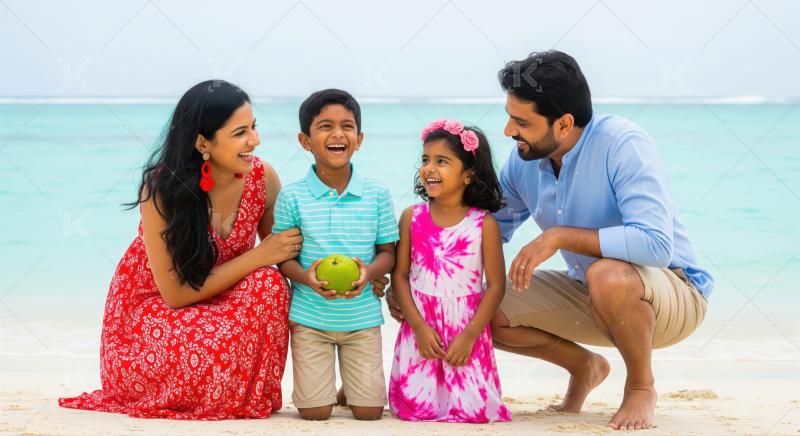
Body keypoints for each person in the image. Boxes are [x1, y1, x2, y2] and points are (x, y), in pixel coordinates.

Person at [384, 51, 713, 431]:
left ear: (564, 124)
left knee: (607, 275)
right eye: (509, 117)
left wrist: (557, 237)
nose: (509, 131)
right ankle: (585, 367)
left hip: (672, 292)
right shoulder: (522, 160)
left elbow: (656, 245)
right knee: (481, 310)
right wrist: (409, 280)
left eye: (521, 121)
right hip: (587, 291)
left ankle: (641, 386)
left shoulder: (623, 143)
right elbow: (478, 231)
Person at [59, 80, 303, 419]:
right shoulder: (162, 189)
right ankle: (219, 393)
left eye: (254, 128)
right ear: (203, 141)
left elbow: (288, 251)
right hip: (155, 314)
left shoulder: (263, 178)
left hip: (222, 304)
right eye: (240, 132)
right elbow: (175, 294)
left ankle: (237, 393)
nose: (255, 140)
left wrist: (361, 273)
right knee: (259, 275)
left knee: (271, 285)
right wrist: (259, 256)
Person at [272, 89, 398, 421]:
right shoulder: (292, 196)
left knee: (370, 413)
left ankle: (353, 388)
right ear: (305, 140)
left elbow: (388, 253)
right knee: (315, 413)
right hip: (310, 319)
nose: (337, 134)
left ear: (359, 138)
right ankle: (335, 387)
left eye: (347, 126)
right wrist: (306, 278)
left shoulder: (377, 194)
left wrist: (368, 274)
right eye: (325, 126)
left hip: (362, 320)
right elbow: (283, 259)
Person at [388, 119, 511, 423]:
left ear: (468, 174)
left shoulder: (484, 224)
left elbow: (496, 286)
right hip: (422, 327)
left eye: (442, 161)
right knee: (414, 410)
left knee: (476, 412)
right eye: (426, 160)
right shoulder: (411, 218)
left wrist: (470, 334)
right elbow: (400, 276)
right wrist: (417, 326)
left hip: (465, 329)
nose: (429, 168)